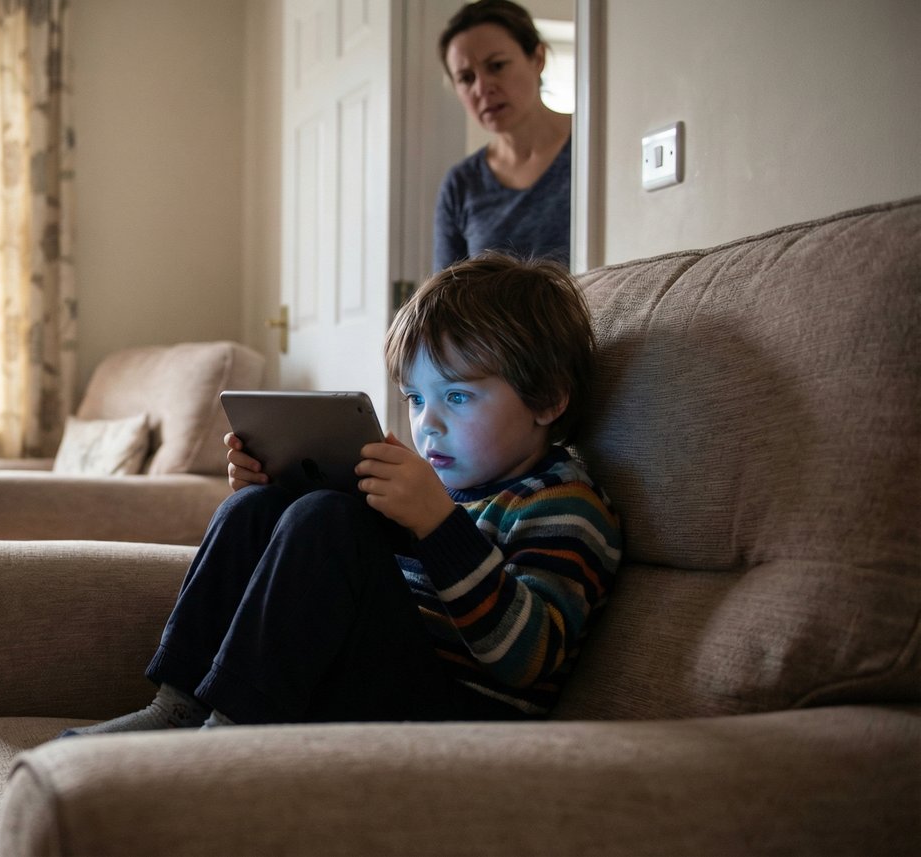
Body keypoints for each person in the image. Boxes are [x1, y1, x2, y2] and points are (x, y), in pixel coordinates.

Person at [61, 254, 621, 735]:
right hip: (370, 686)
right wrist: (279, 489)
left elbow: (528, 661)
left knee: (331, 519)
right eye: (416, 399)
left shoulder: (564, 506)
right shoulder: (445, 488)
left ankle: (230, 735)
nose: (428, 424)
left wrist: (439, 526)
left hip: (461, 720)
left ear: (547, 399)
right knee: (261, 507)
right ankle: (180, 709)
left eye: (457, 396)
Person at [433, 0, 572, 272]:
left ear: (537, 59)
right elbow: (444, 303)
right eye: (466, 78)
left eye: (496, 66)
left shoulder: (593, 147)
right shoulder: (461, 185)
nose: (483, 88)